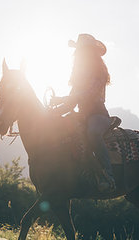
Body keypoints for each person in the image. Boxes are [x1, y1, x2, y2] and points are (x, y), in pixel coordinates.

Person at [50, 33, 115, 193]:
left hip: (98, 115)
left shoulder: (99, 71)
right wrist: (55, 112)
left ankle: (108, 175)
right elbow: (72, 101)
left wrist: (63, 99)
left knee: (93, 133)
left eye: (83, 50)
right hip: (83, 116)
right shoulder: (78, 74)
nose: (80, 54)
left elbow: (90, 94)